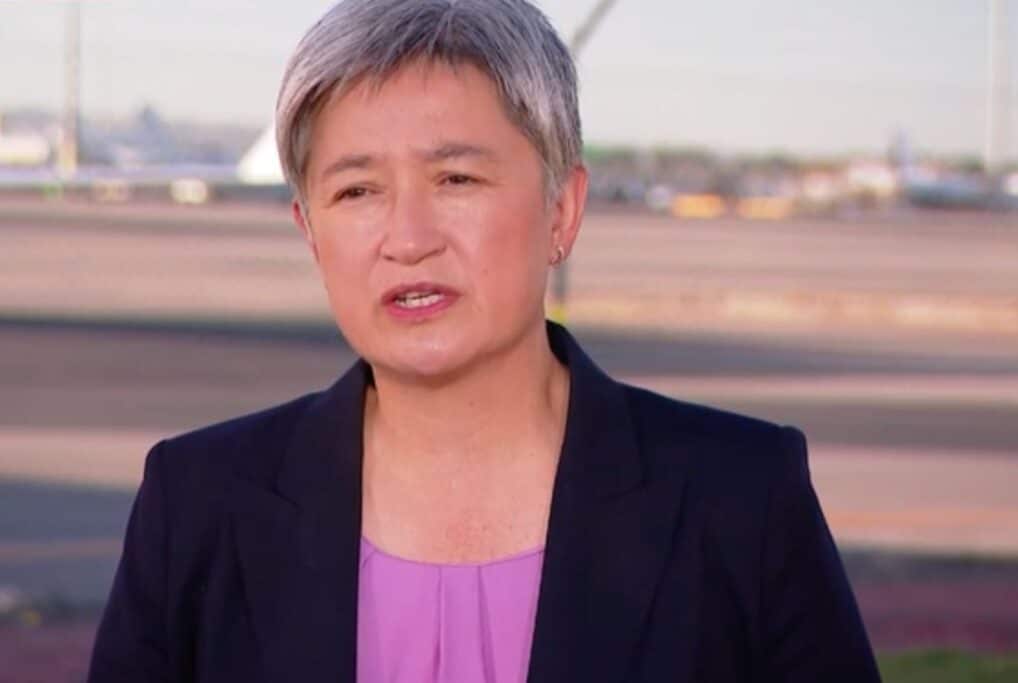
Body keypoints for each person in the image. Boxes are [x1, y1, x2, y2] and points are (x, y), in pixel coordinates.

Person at [88, 1, 881, 681]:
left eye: (456, 179)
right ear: (309, 231)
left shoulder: (740, 497)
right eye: (357, 190)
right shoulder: (196, 504)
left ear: (561, 211)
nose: (408, 237)